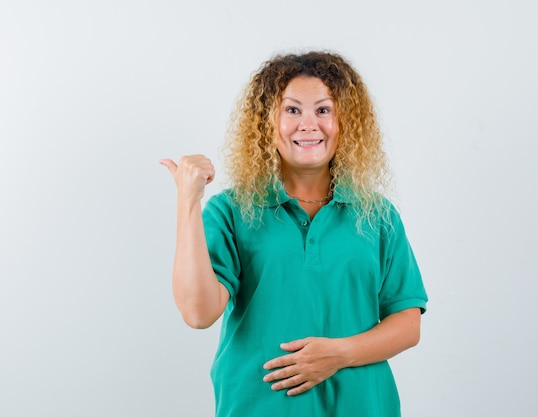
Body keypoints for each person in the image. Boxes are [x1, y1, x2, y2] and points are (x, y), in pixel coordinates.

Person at [160, 51, 427, 417]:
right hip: (257, 407)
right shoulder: (232, 210)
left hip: (362, 406)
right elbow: (197, 313)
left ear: (345, 121)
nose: (308, 124)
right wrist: (188, 201)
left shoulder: (377, 214)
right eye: (292, 110)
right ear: (267, 121)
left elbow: (408, 323)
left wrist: (337, 355)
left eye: (323, 110)